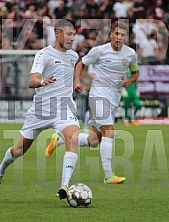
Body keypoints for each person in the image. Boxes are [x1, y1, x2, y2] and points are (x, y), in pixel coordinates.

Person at [0, 19, 80, 200]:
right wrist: (42, 82)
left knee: (73, 139)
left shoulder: (74, 56)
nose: (72, 38)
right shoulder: (43, 54)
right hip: (40, 110)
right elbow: (31, 81)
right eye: (69, 34)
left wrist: (77, 83)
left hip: (64, 109)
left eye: (74, 35)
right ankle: (1, 169)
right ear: (57, 33)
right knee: (18, 151)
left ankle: (64, 185)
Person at [45, 22, 139, 184]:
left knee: (94, 141)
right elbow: (81, 63)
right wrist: (77, 82)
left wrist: (130, 80)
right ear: (111, 34)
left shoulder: (130, 54)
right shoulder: (99, 51)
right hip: (99, 95)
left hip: (114, 98)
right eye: (117, 34)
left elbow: (136, 72)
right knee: (109, 131)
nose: (119, 38)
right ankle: (109, 176)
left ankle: (59, 139)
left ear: (126, 38)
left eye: (123, 35)